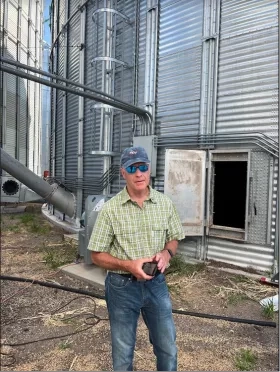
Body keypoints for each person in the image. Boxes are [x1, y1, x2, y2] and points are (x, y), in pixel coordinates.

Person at [88, 146, 185, 371]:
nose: (138, 173)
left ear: (149, 169)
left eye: (143, 166)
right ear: (123, 173)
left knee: (167, 347)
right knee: (123, 354)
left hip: (156, 284)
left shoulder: (164, 203)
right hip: (122, 287)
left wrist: (166, 253)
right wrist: (127, 265)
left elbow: (174, 239)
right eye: (132, 168)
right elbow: (96, 255)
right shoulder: (111, 210)